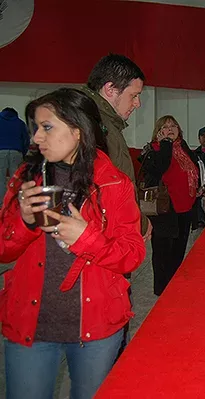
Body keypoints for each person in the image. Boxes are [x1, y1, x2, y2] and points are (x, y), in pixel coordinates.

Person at [0, 88, 145, 399]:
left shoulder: (114, 183)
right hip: (31, 323)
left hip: (96, 328)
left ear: (78, 130)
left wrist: (87, 239)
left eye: (47, 127)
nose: (37, 137)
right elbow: (3, 249)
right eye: (35, 128)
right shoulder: (25, 179)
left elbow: (132, 255)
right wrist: (24, 222)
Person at [80, 54, 152, 242]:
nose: (137, 104)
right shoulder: (95, 126)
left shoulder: (100, 122)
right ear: (110, 89)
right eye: (134, 95)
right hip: (103, 239)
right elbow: (113, 192)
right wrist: (140, 223)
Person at [140, 116, 200, 296]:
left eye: (173, 125)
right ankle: (161, 290)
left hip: (186, 206)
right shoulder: (154, 149)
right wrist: (165, 143)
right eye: (165, 127)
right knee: (163, 253)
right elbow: (161, 168)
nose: (171, 129)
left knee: (179, 250)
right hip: (166, 208)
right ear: (158, 131)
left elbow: (194, 168)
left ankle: (173, 288)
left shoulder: (183, 147)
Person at [0, 107, 29, 207]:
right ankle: (15, 203)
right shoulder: (20, 123)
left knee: (0, 179)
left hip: (0, 151)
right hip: (16, 152)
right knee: (16, 179)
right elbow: (26, 140)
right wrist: (23, 153)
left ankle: (1, 204)